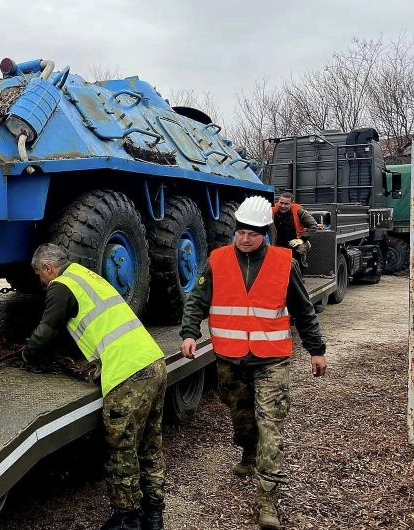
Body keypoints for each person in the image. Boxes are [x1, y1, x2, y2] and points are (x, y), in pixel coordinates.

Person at [180, 196, 327, 530]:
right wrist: (189, 333)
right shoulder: (217, 260)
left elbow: (304, 311)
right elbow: (196, 302)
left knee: (271, 426)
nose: (245, 239)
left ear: (266, 232)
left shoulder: (283, 262)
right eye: (240, 232)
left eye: (253, 233)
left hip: (271, 360)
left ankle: (268, 502)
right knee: (242, 418)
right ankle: (248, 452)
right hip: (230, 359)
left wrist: (316, 349)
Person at [22, 243, 167, 530]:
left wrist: (28, 355)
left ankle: (127, 519)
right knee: (150, 443)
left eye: (40, 274)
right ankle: (154, 514)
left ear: (48, 268)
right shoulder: (85, 275)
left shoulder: (61, 286)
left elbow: (46, 332)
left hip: (127, 373)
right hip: (154, 361)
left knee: (122, 449)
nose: (41, 281)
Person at [272, 192, 318, 271]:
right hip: (278, 241)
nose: (283, 206)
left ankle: (300, 272)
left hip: (296, 240)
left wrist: (301, 239)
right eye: (281, 203)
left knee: (300, 249)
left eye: (286, 204)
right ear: (278, 201)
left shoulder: (299, 212)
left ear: (292, 203)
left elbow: (314, 226)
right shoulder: (273, 210)